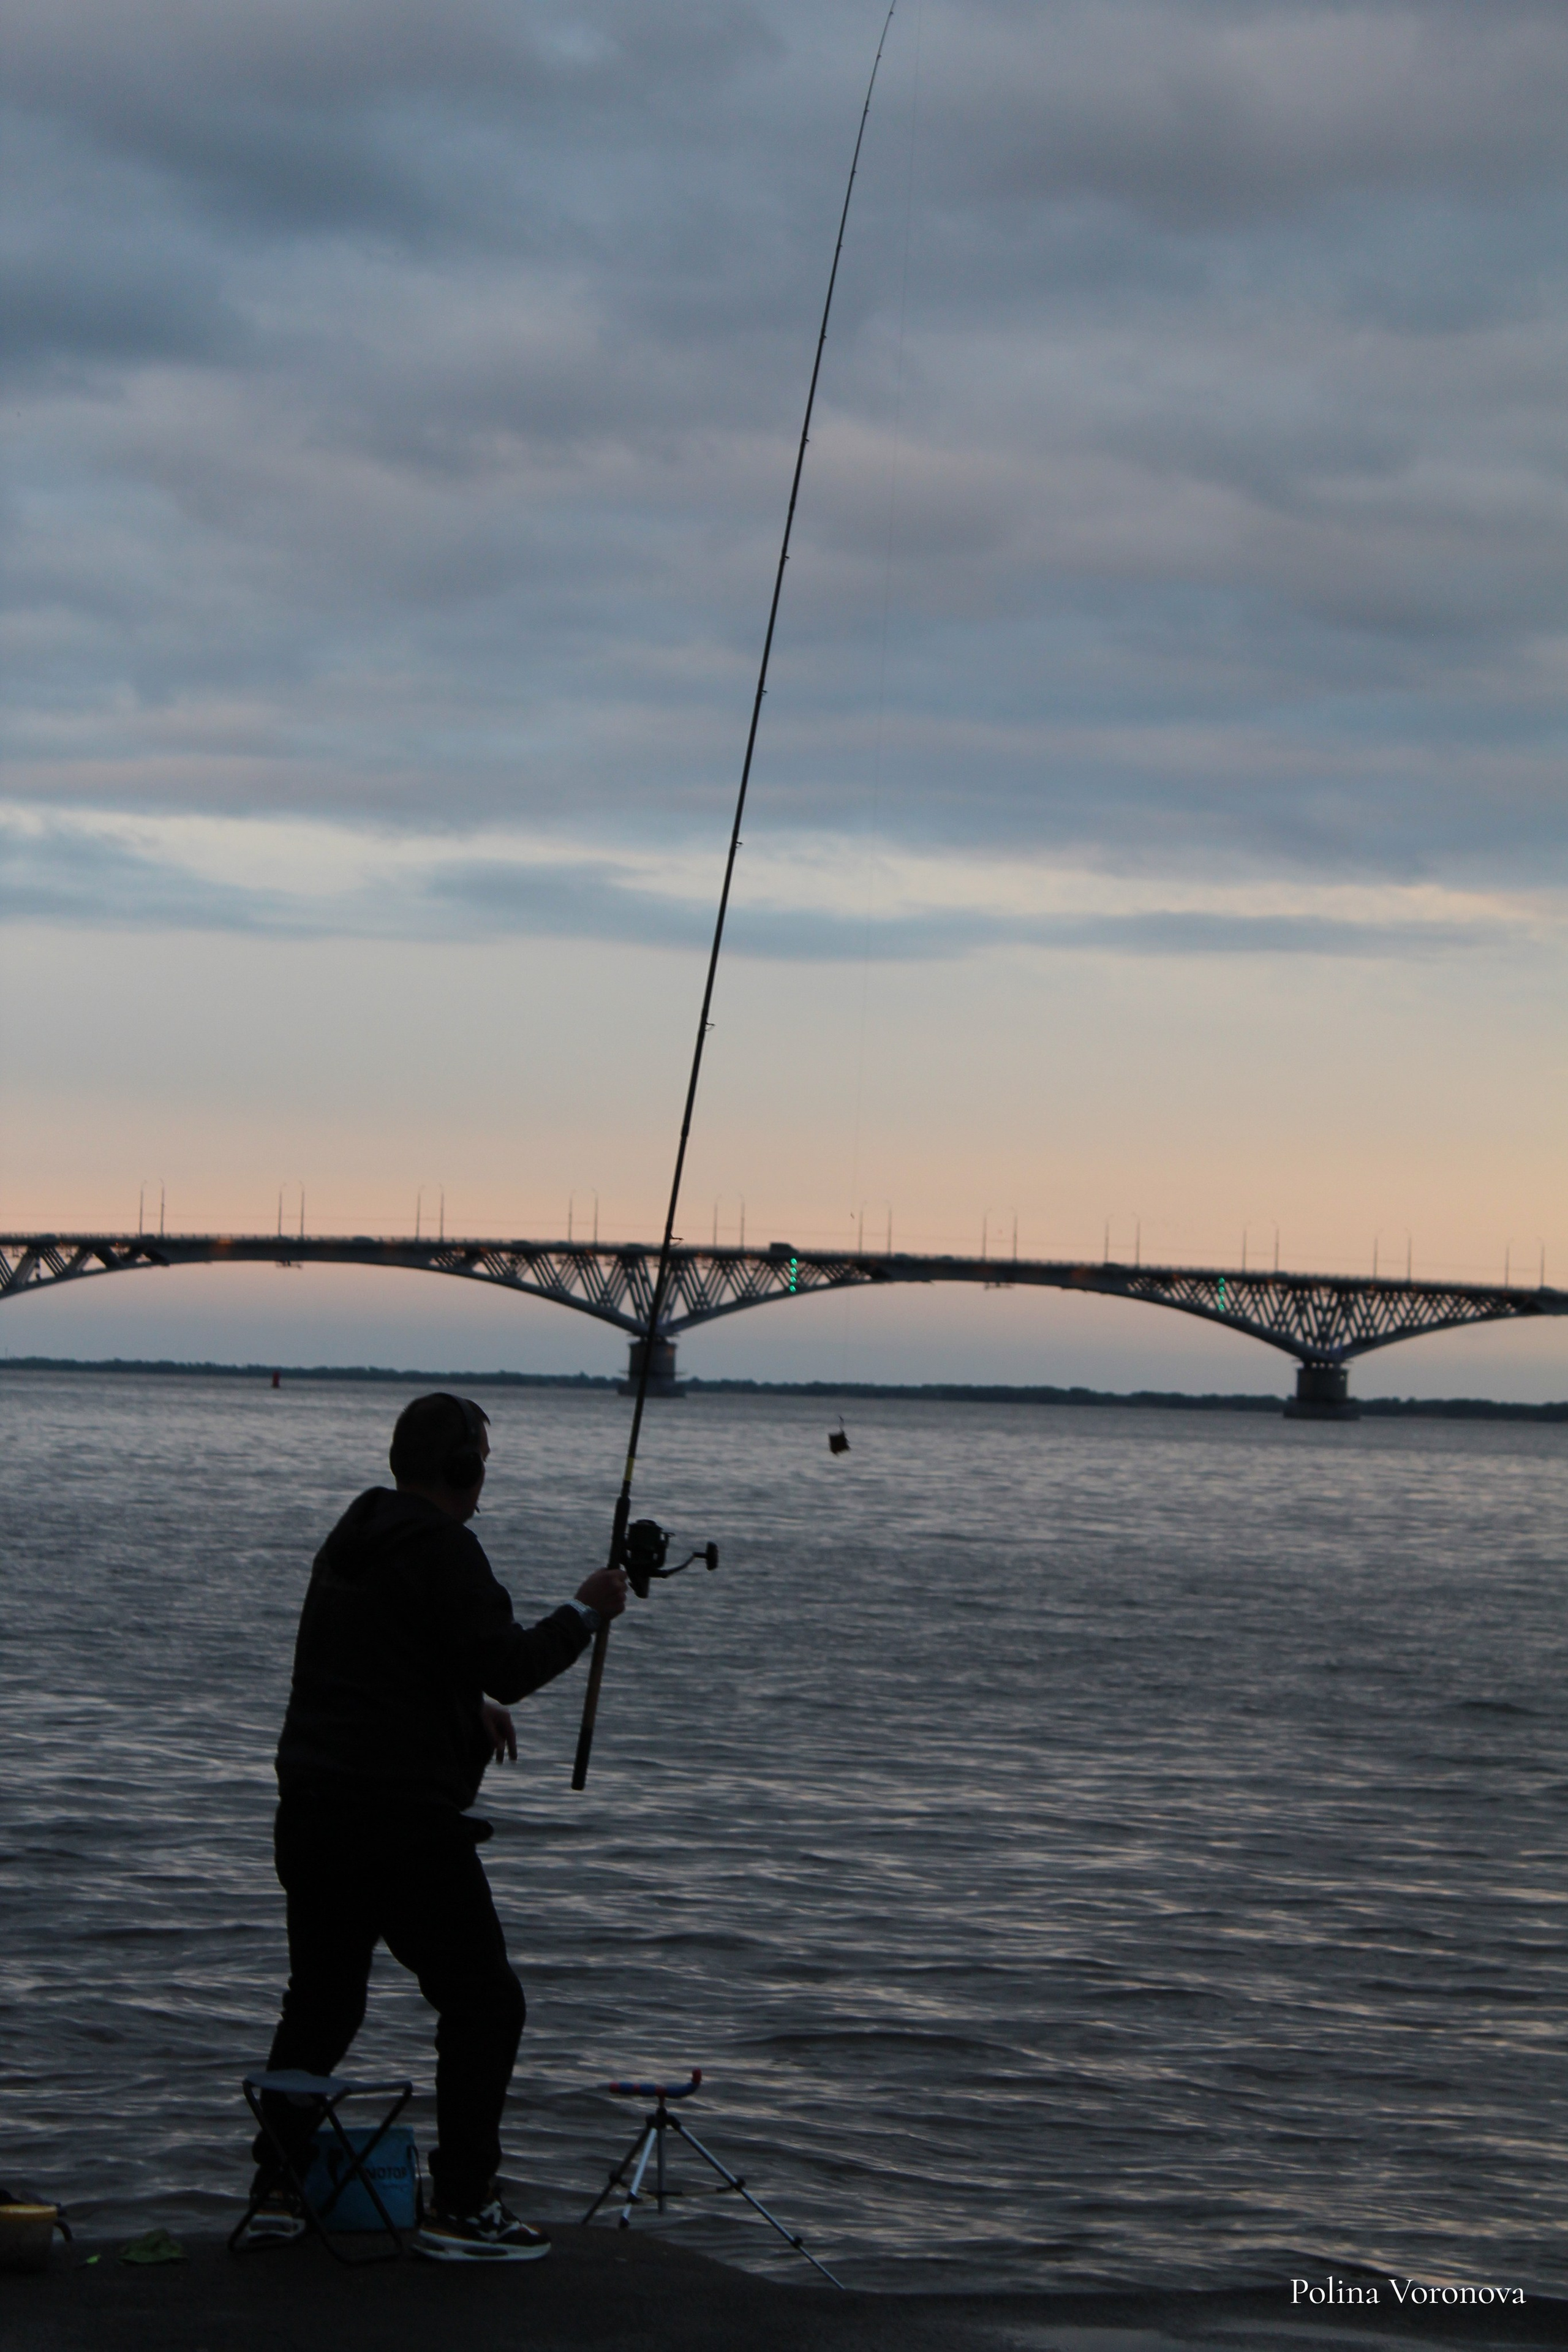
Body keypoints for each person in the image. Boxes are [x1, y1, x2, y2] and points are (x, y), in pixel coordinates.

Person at [249, 1391, 627, 2261]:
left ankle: (277, 2187)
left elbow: (381, 1667)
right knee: (485, 2002)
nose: (485, 1472)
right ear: (459, 1467)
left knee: (324, 2003)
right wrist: (586, 1612)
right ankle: (463, 2203)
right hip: (398, 1826)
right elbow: (514, 1661)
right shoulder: (447, 1550)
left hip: (311, 1816)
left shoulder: (351, 1543)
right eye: (482, 1458)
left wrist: (467, 1709)